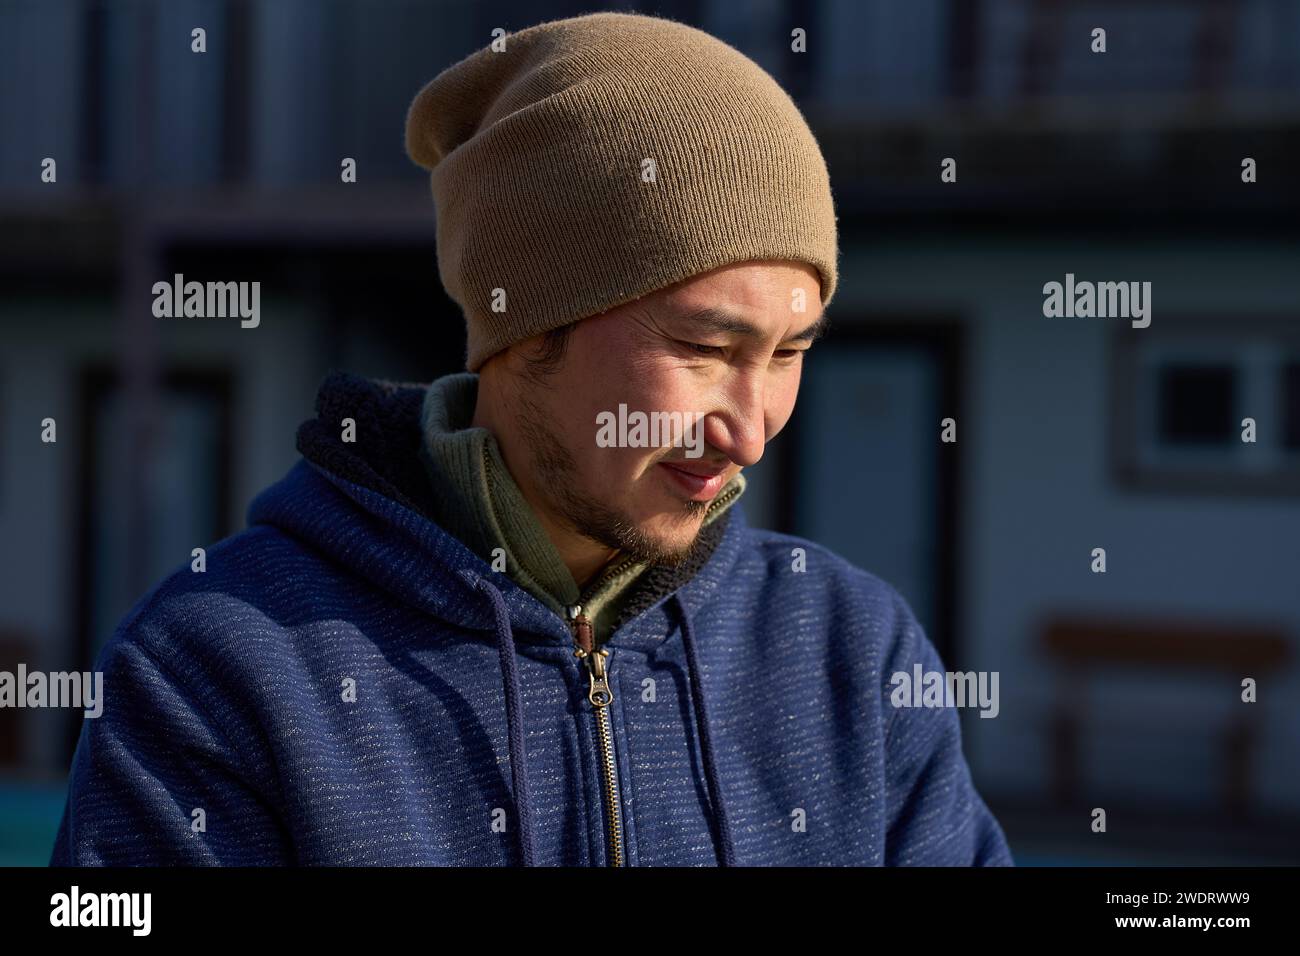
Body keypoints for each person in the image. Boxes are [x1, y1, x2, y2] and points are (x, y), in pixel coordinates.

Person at [50, 11, 1012, 866]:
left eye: (790, 352)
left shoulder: (852, 651)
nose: (750, 432)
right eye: (703, 346)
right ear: (527, 327)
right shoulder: (220, 668)